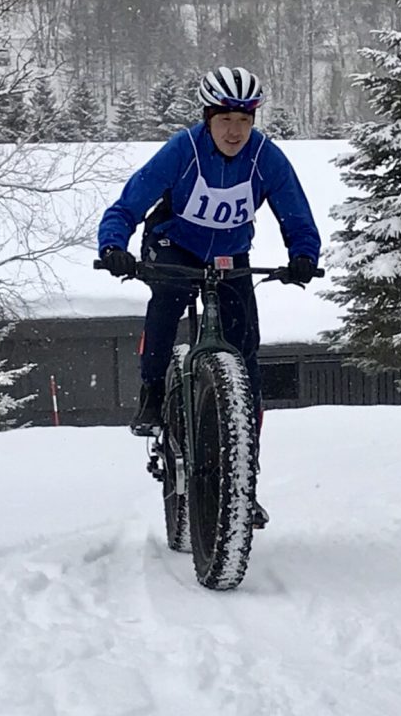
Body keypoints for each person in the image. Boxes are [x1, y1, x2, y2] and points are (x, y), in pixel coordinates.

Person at [97, 66, 321, 527]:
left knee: (246, 359)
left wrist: (303, 254)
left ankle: (244, 480)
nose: (235, 131)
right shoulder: (183, 149)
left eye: (244, 121)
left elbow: (296, 211)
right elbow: (129, 203)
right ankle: (154, 391)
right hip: (174, 245)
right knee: (167, 302)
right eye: (225, 121)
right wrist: (113, 245)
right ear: (207, 119)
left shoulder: (265, 157)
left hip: (229, 255)